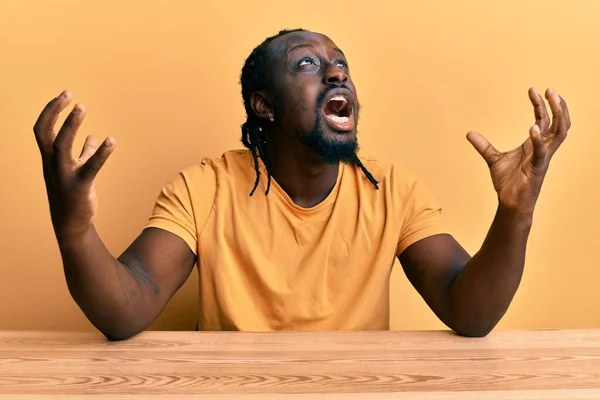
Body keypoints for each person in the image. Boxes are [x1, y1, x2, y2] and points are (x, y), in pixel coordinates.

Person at [33, 29, 571, 341]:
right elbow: (125, 310)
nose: (338, 75)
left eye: (342, 67)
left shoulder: (392, 190)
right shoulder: (204, 187)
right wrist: (74, 229)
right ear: (262, 106)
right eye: (310, 65)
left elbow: (470, 312)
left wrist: (515, 213)